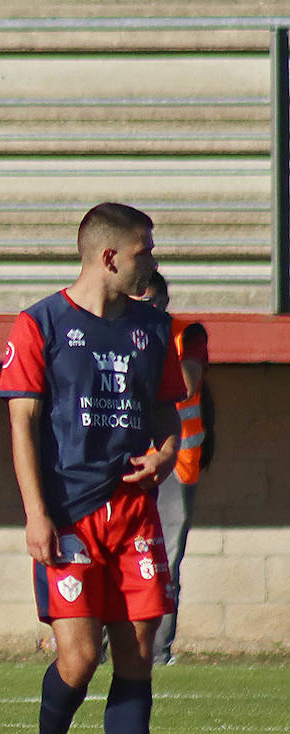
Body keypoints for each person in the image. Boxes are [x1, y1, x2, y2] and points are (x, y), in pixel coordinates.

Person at [0, 202, 185, 734]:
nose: (152, 261)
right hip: (70, 515)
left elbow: (167, 417)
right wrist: (35, 513)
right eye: (145, 251)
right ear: (109, 256)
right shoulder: (39, 324)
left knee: (137, 655)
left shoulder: (154, 331)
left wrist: (165, 455)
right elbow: (21, 424)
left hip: (135, 516)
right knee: (79, 659)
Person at [144, 271, 211, 665]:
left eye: (151, 302)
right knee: (112, 552)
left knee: (166, 559)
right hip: (129, 456)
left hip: (177, 459)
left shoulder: (186, 334)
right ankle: (97, 649)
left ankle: (159, 651)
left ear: (164, 303)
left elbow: (186, 385)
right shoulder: (114, 332)